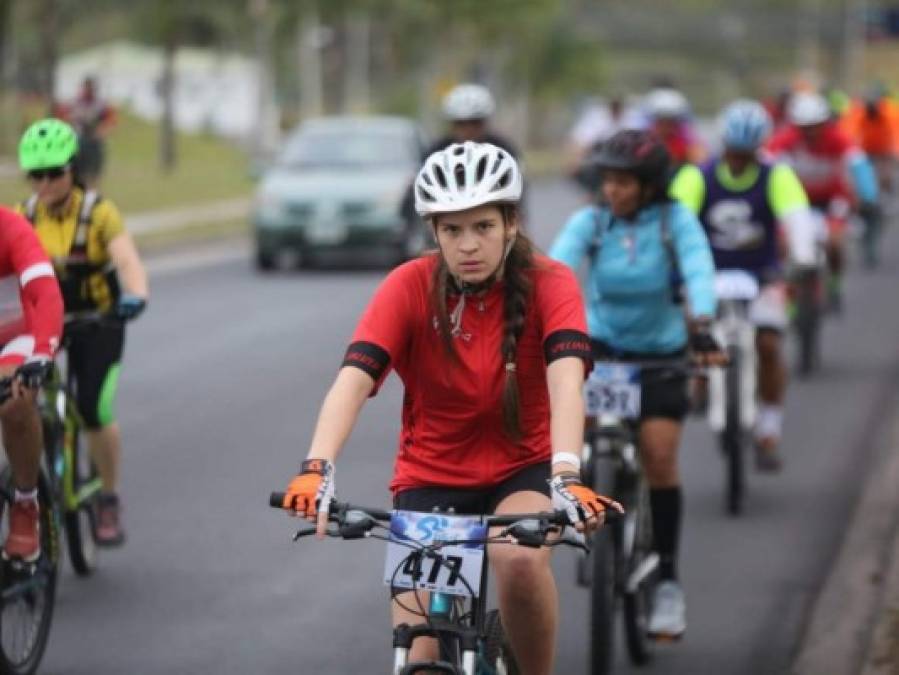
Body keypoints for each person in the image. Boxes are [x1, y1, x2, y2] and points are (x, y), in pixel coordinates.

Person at [280, 141, 619, 675]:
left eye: (483, 226)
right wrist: (315, 469)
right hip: (431, 477)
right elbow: (353, 379)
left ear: (511, 222)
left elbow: (566, 383)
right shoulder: (409, 284)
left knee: (519, 560)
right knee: (421, 656)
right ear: (432, 232)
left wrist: (568, 474)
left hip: (523, 470)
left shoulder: (551, 282)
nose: (468, 245)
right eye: (452, 230)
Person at [550, 130, 726, 640]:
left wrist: (706, 322)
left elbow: (698, 270)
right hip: (600, 350)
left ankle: (667, 579)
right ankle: (587, 489)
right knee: (568, 437)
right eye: (607, 180)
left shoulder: (676, 222)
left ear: (649, 186)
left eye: (624, 182)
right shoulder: (591, 221)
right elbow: (558, 270)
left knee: (659, 454)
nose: (612, 190)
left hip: (660, 355)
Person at [17, 118, 148, 547]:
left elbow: (127, 260)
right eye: (36, 174)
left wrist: (135, 294)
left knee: (93, 408)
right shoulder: (23, 217)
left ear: (73, 169)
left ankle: (108, 496)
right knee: (21, 404)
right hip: (43, 324)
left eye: (55, 172)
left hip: (99, 320)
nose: (46, 183)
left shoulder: (98, 213)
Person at [670, 100, 818, 470]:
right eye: (734, 153)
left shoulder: (777, 176)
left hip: (761, 275)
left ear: (758, 150)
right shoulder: (697, 176)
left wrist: (802, 256)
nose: (739, 161)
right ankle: (701, 376)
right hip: (708, 275)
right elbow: (675, 220)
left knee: (768, 343)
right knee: (692, 323)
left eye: (746, 155)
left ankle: (768, 428)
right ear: (724, 146)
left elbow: (797, 217)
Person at [766, 91, 879, 304]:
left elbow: (859, 165)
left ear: (824, 122)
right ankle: (788, 297)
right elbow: (764, 163)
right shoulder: (786, 140)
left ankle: (835, 281)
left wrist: (869, 195)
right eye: (804, 127)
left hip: (832, 200)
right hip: (797, 202)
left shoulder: (838, 138)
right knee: (783, 245)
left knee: (835, 243)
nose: (810, 132)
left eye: (815, 125)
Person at [0, 208, 64, 562]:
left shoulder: (11, 228)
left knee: (13, 399)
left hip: (18, 336)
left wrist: (42, 353)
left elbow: (45, 294)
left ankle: (26, 502)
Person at [59, 76, 116, 188]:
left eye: (90, 87)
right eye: (86, 87)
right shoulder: (74, 103)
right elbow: (62, 117)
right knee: (78, 173)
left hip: (94, 142)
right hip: (78, 141)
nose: (88, 90)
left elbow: (110, 121)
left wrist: (102, 131)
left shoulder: (100, 104)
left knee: (93, 174)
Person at [644, 87, 706, 169]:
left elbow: (700, 158)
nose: (665, 127)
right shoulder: (646, 141)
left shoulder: (684, 141)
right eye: (661, 121)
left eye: (670, 122)